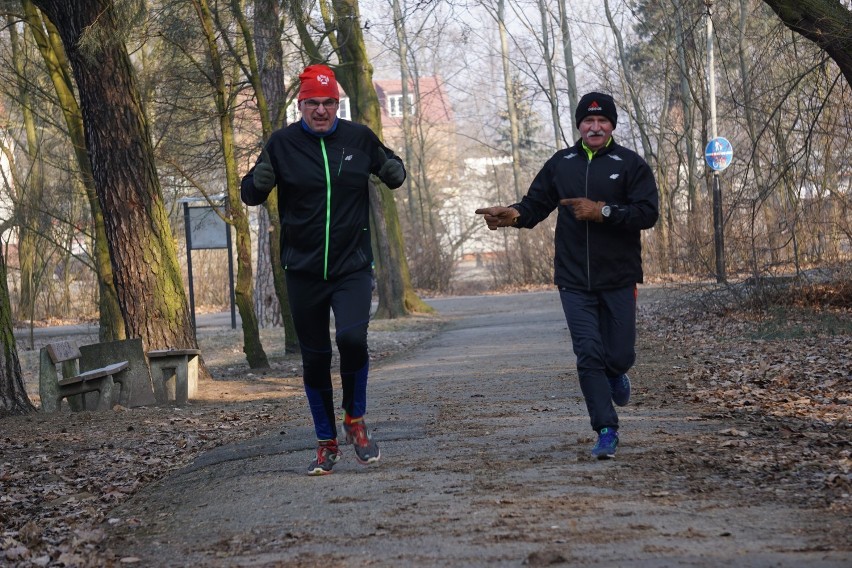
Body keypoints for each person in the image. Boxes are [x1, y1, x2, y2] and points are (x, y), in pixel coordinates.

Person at [241, 64, 406, 475]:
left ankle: (355, 419)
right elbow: (249, 193)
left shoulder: (358, 137)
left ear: (338, 104)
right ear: (300, 105)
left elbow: (394, 171)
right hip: (303, 270)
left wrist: (393, 169)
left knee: (352, 339)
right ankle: (326, 442)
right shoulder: (281, 144)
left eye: (328, 102)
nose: (320, 110)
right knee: (314, 359)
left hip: (352, 265)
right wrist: (259, 181)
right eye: (312, 103)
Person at [475, 92, 659, 459]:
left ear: (612, 125)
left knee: (619, 355)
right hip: (573, 280)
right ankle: (606, 429)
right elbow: (535, 205)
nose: (594, 126)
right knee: (588, 353)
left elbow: (647, 213)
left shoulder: (630, 164)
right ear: (578, 125)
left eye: (602, 121)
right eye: (588, 121)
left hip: (619, 277)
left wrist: (604, 211)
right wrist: (511, 214)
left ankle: (616, 373)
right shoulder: (562, 163)